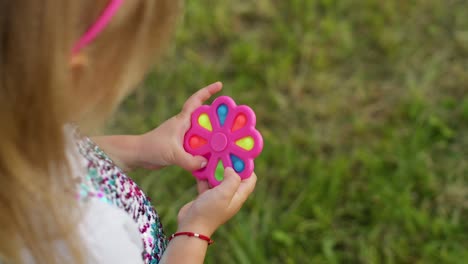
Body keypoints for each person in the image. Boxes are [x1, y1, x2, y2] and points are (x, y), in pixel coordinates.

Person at [0, 1, 257, 263]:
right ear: (75, 75)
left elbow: (75, 149)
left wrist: (139, 148)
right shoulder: (91, 239)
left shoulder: (18, 128)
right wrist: (196, 228)